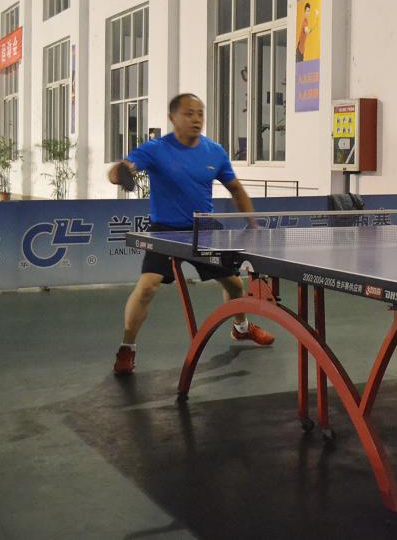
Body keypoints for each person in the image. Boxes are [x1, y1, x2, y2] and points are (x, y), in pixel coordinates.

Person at [108, 93, 274, 376]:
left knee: (235, 285)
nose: (196, 119)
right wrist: (119, 172)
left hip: (203, 228)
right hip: (164, 231)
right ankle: (127, 347)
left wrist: (253, 225)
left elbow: (236, 189)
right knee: (148, 287)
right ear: (172, 118)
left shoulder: (214, 152)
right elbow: (120, 170)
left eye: (200, 113)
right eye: (189, 113)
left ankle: (241, 328)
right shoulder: (156, 149)